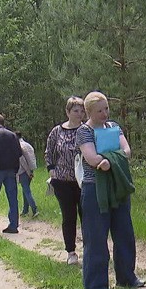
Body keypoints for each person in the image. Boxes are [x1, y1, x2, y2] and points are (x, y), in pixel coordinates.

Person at [76, 91, 145, 289]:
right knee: (96, 237)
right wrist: (106, 159)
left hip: (118, 184)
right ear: (89, 112)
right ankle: (96, 286)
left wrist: (107, 159)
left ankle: (127, 277)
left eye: (106, 109)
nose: (105, 113)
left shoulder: (114, 127)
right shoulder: (84, 131)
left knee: (124, 233)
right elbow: (92, 158)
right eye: (99, 111)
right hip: (94, 188)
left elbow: (127, 151)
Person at [45, 96, 85, 265]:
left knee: (87, 216)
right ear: (68, 112)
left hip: (83, 181)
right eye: (76, 111)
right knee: (69, 217)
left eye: (82, 110)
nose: (79, 114)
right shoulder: (57, 131)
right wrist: (51, 170)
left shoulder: (86, 130)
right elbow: (49, 151)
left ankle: (90, 249)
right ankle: (71, 252)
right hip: (62, 181)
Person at [16, 131, 39, 217]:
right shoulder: (28, 145)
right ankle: (25, 210)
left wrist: (28, 172)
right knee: (25, 190)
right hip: (30, 169)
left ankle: (34, 209)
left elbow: (22, 161)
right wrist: (31, 170)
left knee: (26, 190)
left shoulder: (19, 146)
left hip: (23, 171)